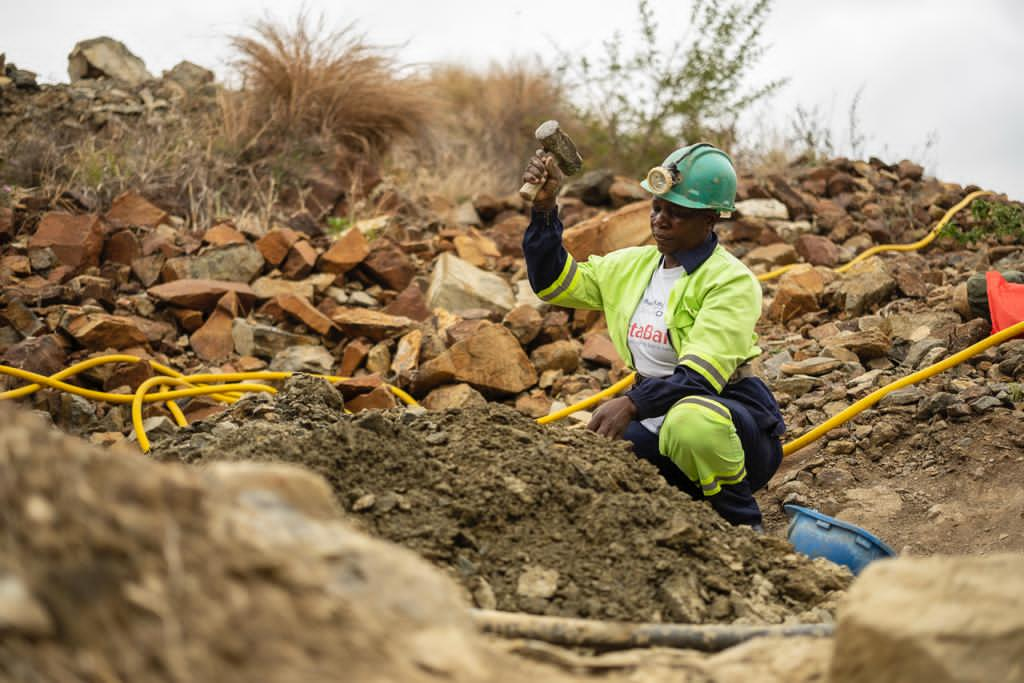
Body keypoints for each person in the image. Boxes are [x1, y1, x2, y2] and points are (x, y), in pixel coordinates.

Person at [521, 143, 785, 530]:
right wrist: (544, 209)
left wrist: (629, 404)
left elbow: (699, 377)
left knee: (689, 422)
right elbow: (552, 284)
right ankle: (681, 518)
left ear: (711, 218)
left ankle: (743, 526)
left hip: (727, 423)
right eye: (658, 207)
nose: (661, 220)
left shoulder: (731, 281)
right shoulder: (631, 266)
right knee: (591, 461)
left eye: (677, 213)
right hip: (655, 414)